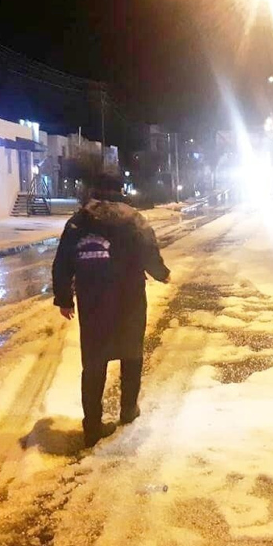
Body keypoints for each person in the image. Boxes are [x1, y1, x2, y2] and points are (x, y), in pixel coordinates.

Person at [52, 171, 170, 447]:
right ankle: (128, 410)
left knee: (93, 362)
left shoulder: (78, 223)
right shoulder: (133, 219)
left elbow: (62, 262)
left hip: (92, 302)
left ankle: (91, 426)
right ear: (120, 191)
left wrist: (64, 298)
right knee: (131, 354)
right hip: (129, 299)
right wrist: (161, 273)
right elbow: (148, 251)